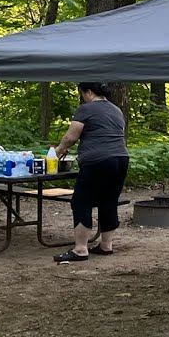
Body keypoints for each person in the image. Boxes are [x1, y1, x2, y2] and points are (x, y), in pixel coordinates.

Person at [52, 83, 130, 262]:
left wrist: (57, 151)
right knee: (109, 200)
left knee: (81, 202)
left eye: (83, 94)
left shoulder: (85, 109)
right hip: (120, 159)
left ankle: (80, 249)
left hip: (96, 160)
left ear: (88, 92)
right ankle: (106, 246)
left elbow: (71, 137)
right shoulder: (116, 110)